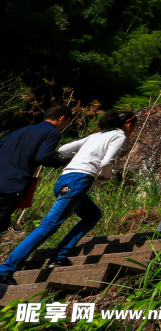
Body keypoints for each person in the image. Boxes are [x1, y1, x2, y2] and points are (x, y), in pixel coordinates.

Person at [0, 111, 137, 285]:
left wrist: (77, 158)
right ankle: (6, 269)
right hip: (78, 181)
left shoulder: (96, 135)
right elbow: (106, 162)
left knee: (92, 215)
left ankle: (59, 256)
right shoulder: (118, 136)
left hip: (63, 179)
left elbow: (63, 150)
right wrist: (106, 176)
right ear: (128, 125)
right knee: (47, 226)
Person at [0, 105, 72, 234]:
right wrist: (64, 162)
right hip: (12, 184)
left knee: (4, 223)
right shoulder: (53, 133)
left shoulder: (20, 131)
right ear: (62, 118)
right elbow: (43, 157)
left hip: (3, 179)